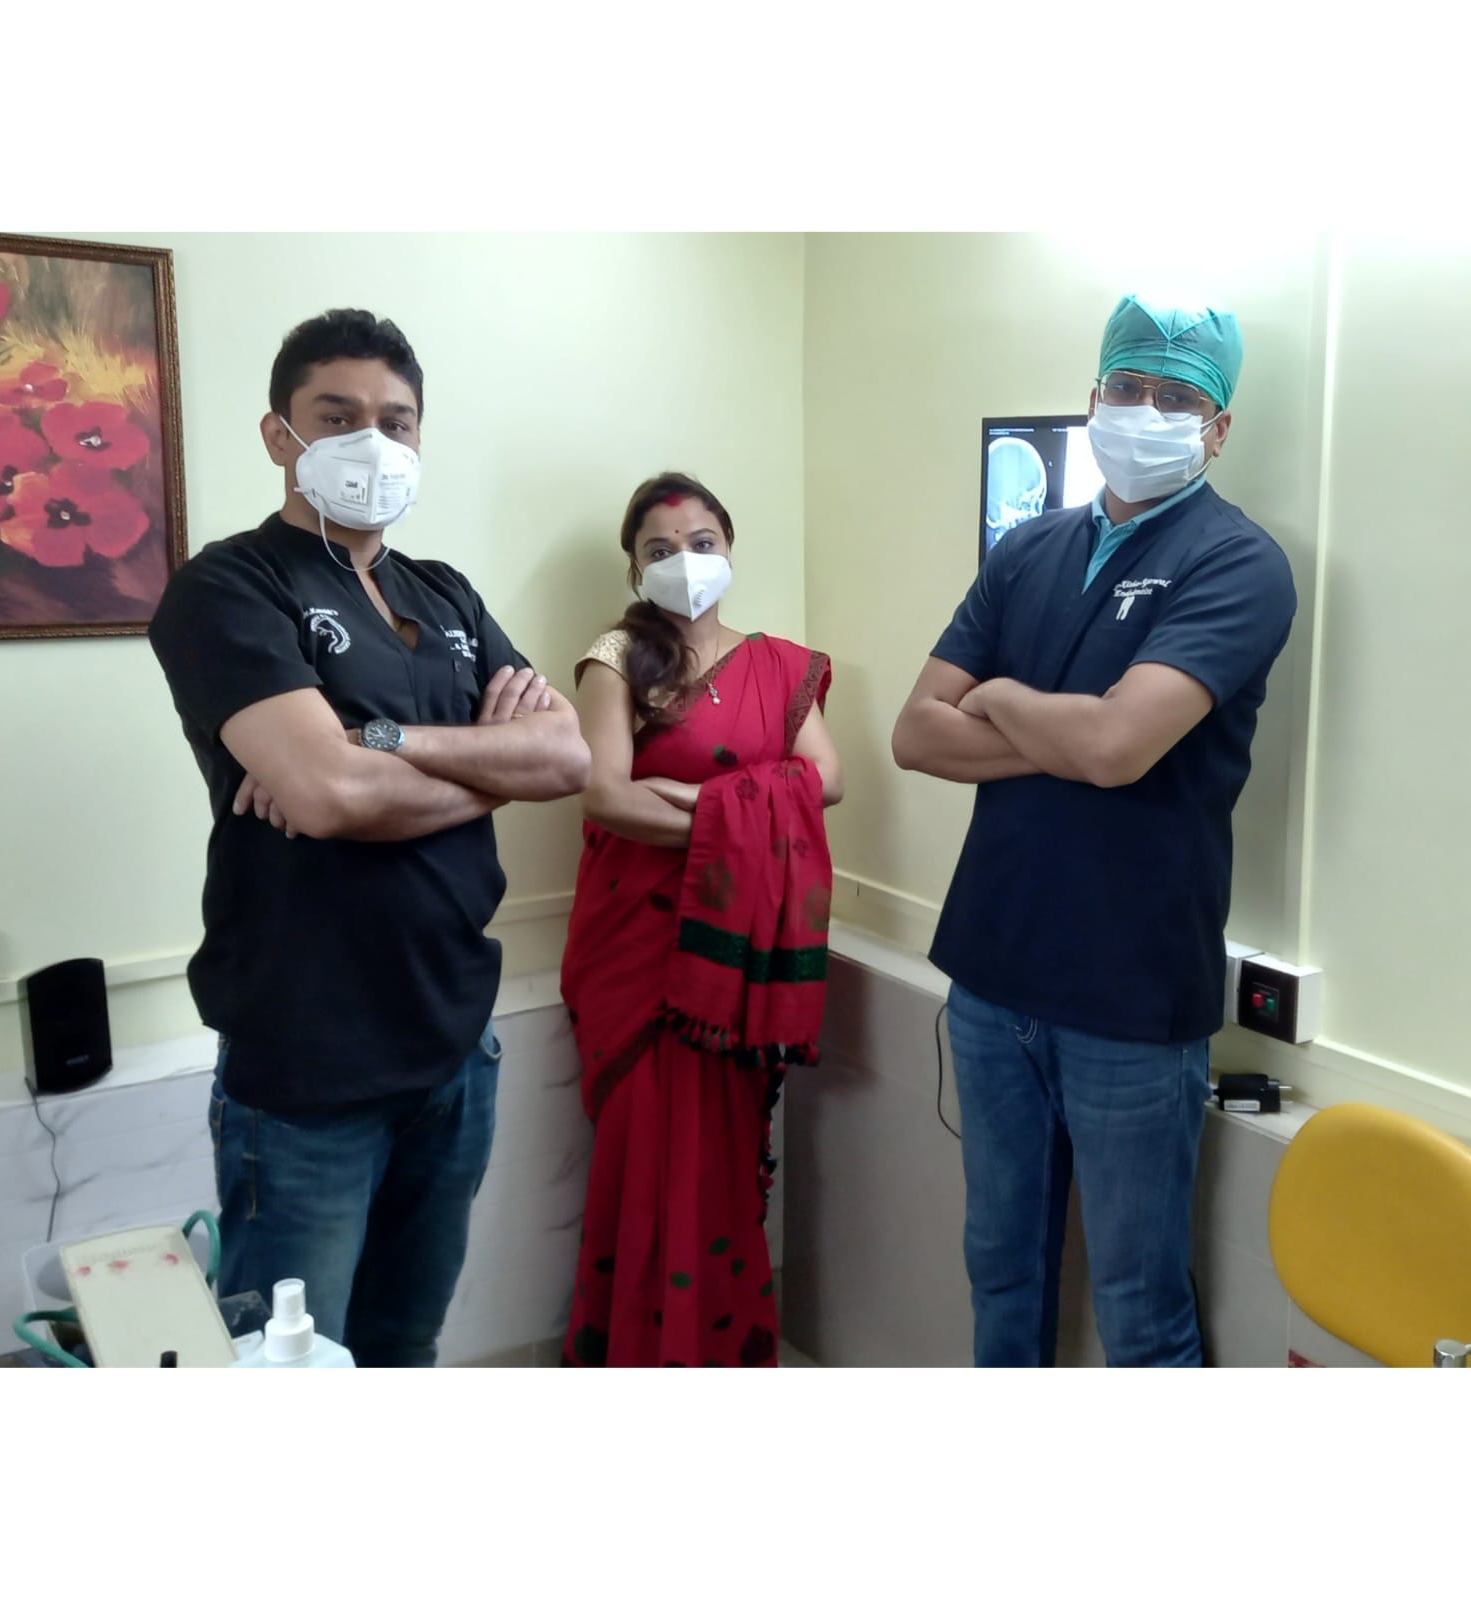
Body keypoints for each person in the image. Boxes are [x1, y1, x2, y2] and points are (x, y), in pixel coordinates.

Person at [147, 309, 590, 1367]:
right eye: (337, 416)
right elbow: (333, 795)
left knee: (405, 1347)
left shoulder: (446, 594)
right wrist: (484, 768)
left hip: (454, 1044)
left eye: (396, 421)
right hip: (307, 1067)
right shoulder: (228, 587)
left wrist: (379, 744)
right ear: (279, 434)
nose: (372, 442)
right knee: (295, 1371)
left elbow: (567, 757)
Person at [891, 297, 1297, 1367]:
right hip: (992, 975)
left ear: (1218, 429)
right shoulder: (1028, 550)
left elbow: (1117, 748)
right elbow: (915, 734)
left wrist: (1003, 700)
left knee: (1139, 1304)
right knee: (1001, 1269)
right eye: (1128, 386)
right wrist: (1076, 732)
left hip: (1130, 997)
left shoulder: (1236, 563)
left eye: (1178, 398)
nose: (1145, 410)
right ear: (1092, 397)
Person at [560, 472, 843, 1368]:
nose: (683, 561)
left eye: (701, 543)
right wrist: (733, 819)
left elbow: (827, 780)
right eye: (659, 548)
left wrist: (705, 803)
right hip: (643, 957)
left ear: (729, 549)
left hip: (739, 953)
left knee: (717, 1167)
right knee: (648, 1163)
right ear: (635, 567)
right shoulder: (615, 658)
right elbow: (606, 795)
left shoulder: (781, 666)